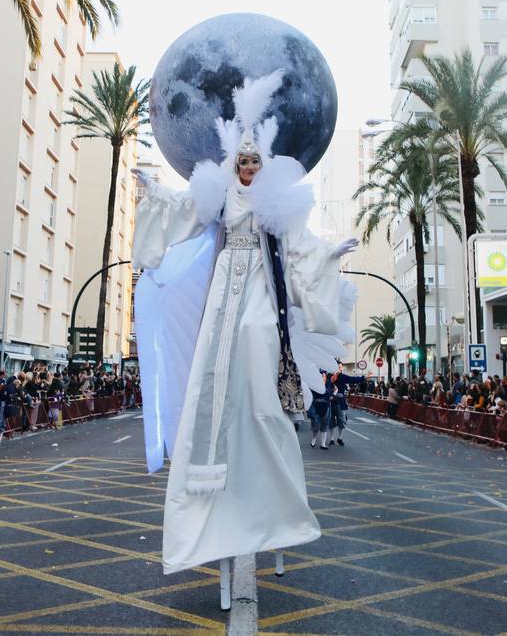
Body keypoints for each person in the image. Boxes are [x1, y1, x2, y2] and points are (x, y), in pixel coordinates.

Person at [130, 70, 356, 592]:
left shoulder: (275, 206)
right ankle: (217, 481)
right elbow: (182, 210)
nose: (249, 168)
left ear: (264, 165)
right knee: (218, 371)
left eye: (255, 161)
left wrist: (331, 254)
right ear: (235, 164)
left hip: (259, 293)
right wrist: (154, 189)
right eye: (243, 161)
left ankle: (267, 472)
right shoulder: (219, 196)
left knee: (257, 356)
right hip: (221, 293)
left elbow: (301, 247)